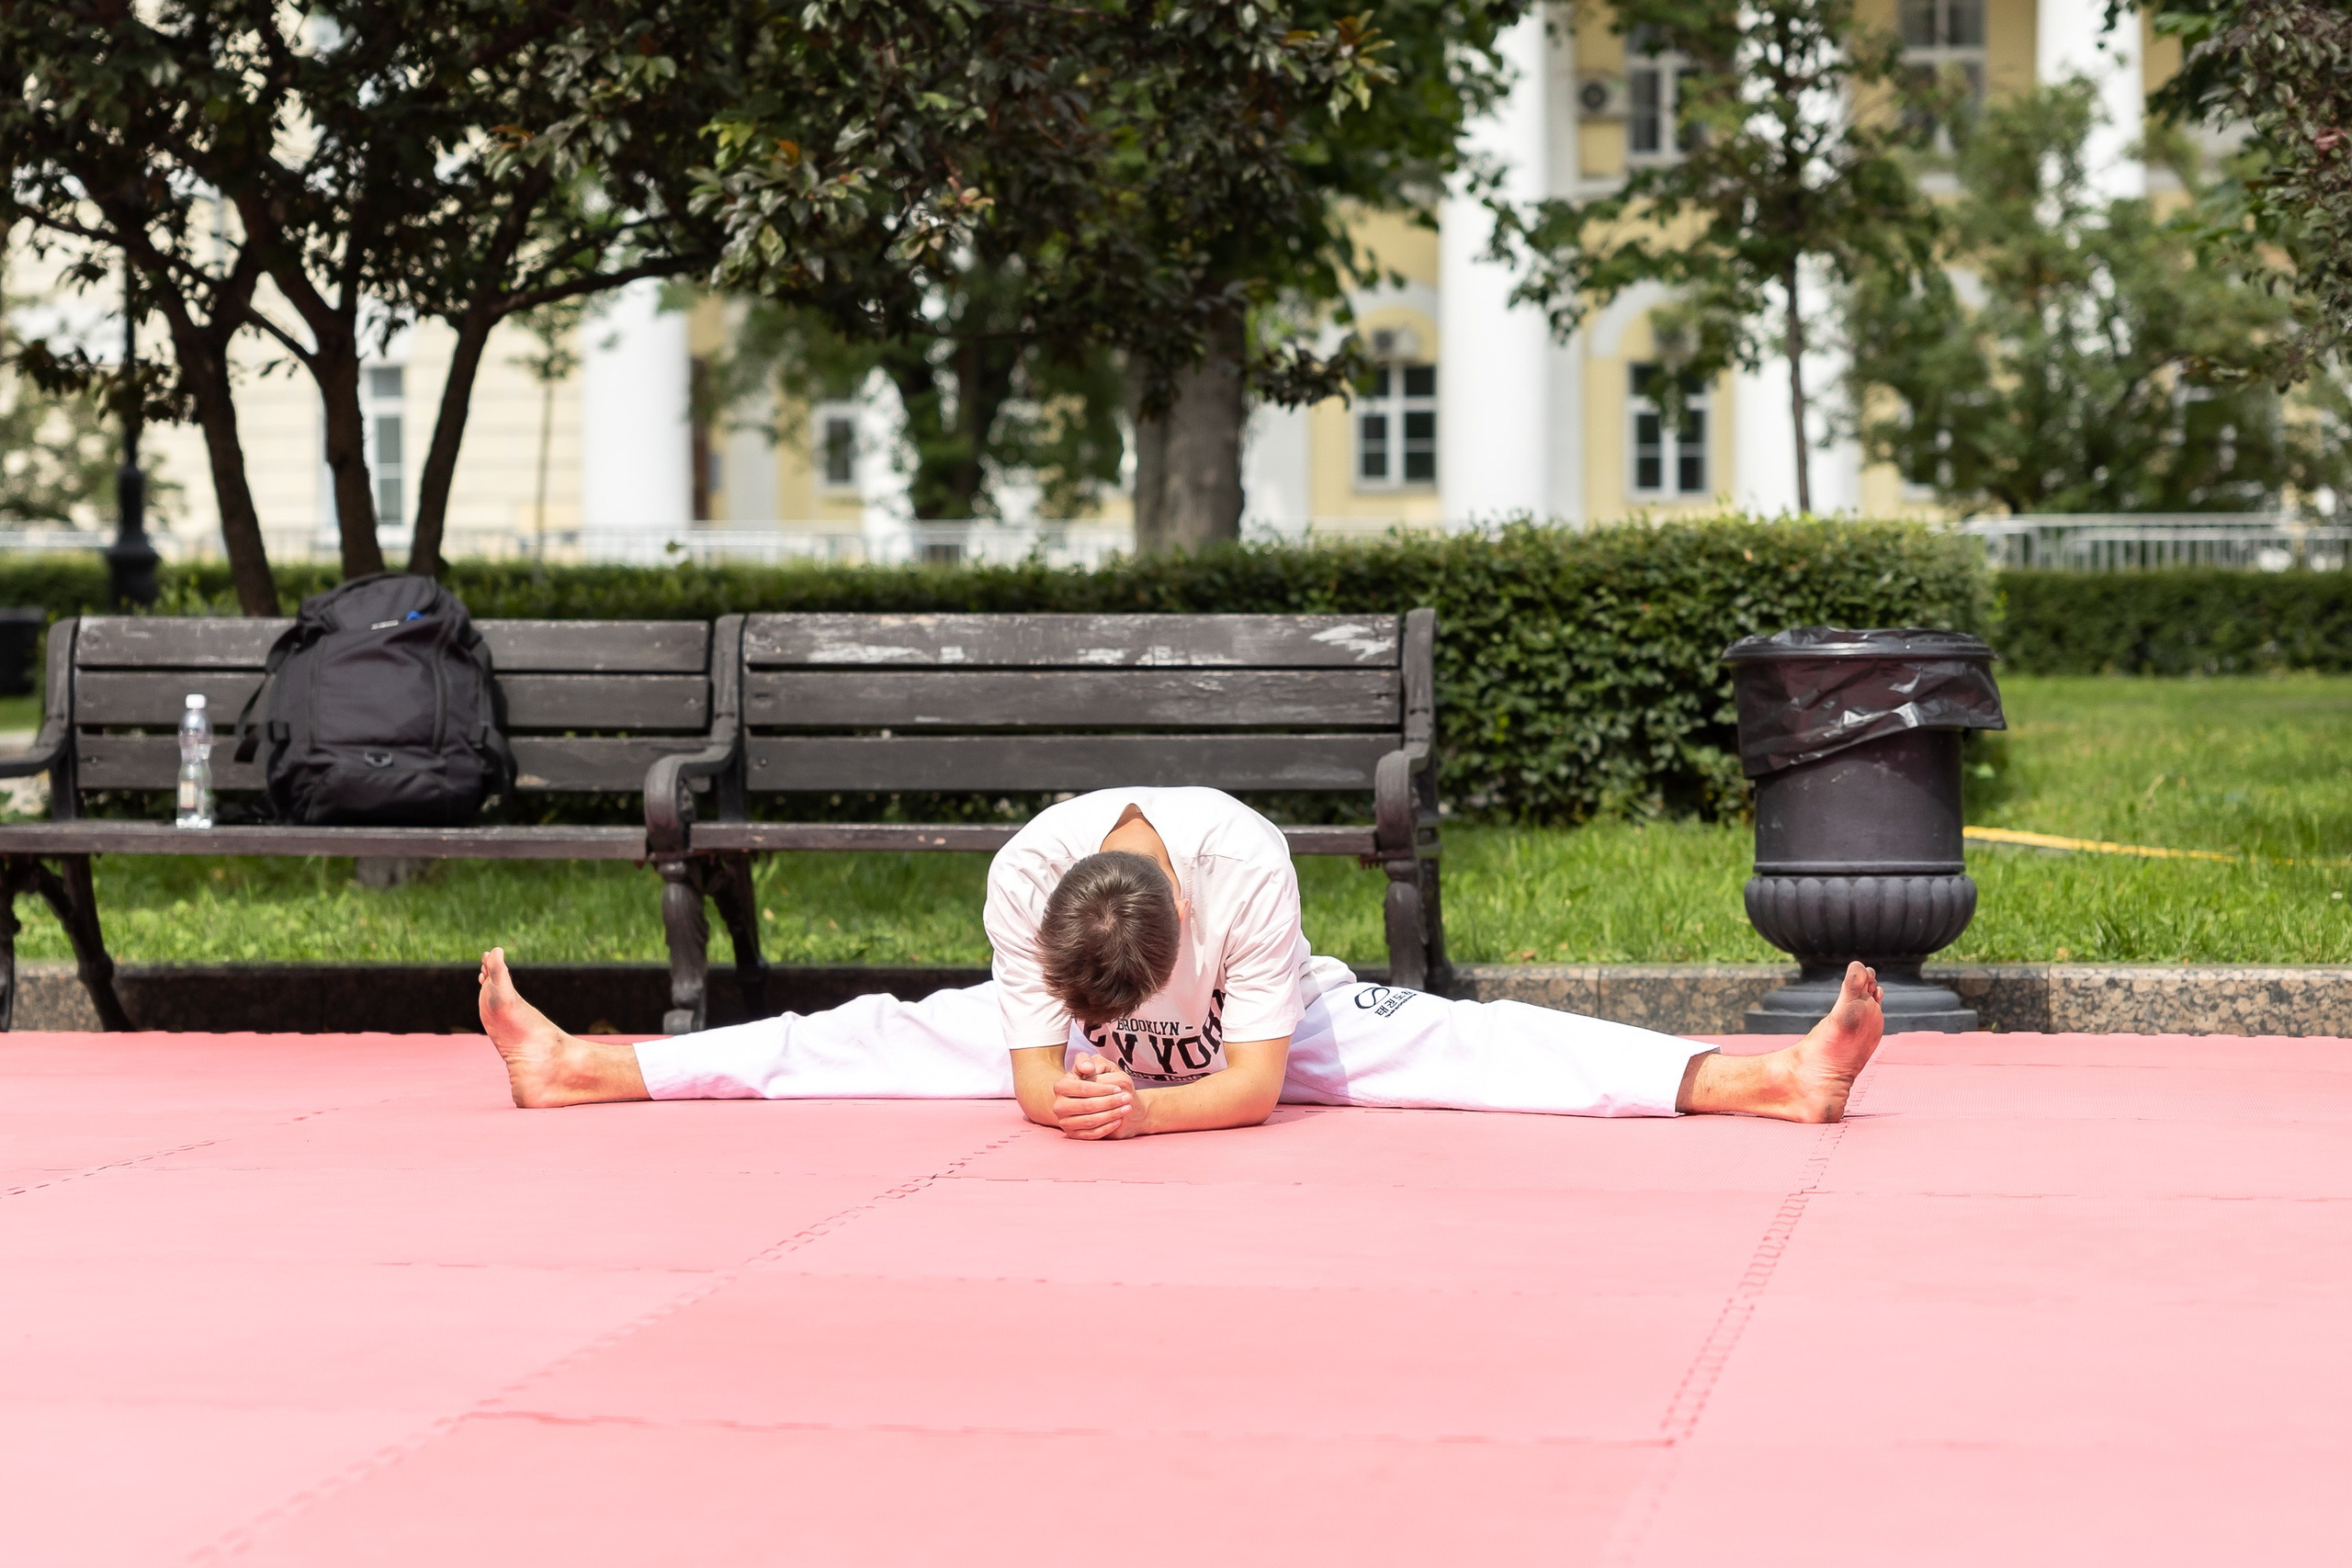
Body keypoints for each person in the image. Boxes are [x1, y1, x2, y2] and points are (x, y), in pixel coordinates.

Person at [480, 786, 1884, 1135]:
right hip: (1116, 1043)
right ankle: (581, 1066)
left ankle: (1767, 1079)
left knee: (1478, 1037)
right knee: (864, 1032)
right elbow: (1040, 1076)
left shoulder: (1242, 866)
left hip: (1263, 1033)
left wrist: (1144, 1104)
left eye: (1133, 1014)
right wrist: (1073, 1089)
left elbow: (1260, 1082)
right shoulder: (1033, 874)